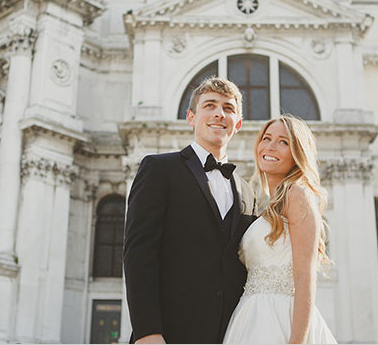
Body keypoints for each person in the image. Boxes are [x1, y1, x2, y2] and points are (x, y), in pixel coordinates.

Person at [124, 77, 260, 344]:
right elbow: (138, 254)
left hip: (231, 334)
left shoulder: (248, 192)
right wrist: (147, 332)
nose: (219, 114)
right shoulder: (159, 169)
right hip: (168, 333)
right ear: (191, 117)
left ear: (238, 125)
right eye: (210, 105)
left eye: (228, 108)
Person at [223, 115, 336, 344]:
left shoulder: (297, 195)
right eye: (266, 138)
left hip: (281, 318)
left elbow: (305, 277)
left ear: (297, 154)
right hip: (249, 317)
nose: (270, 146)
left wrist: (297, 341)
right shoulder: (268, 206)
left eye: (283, 142)